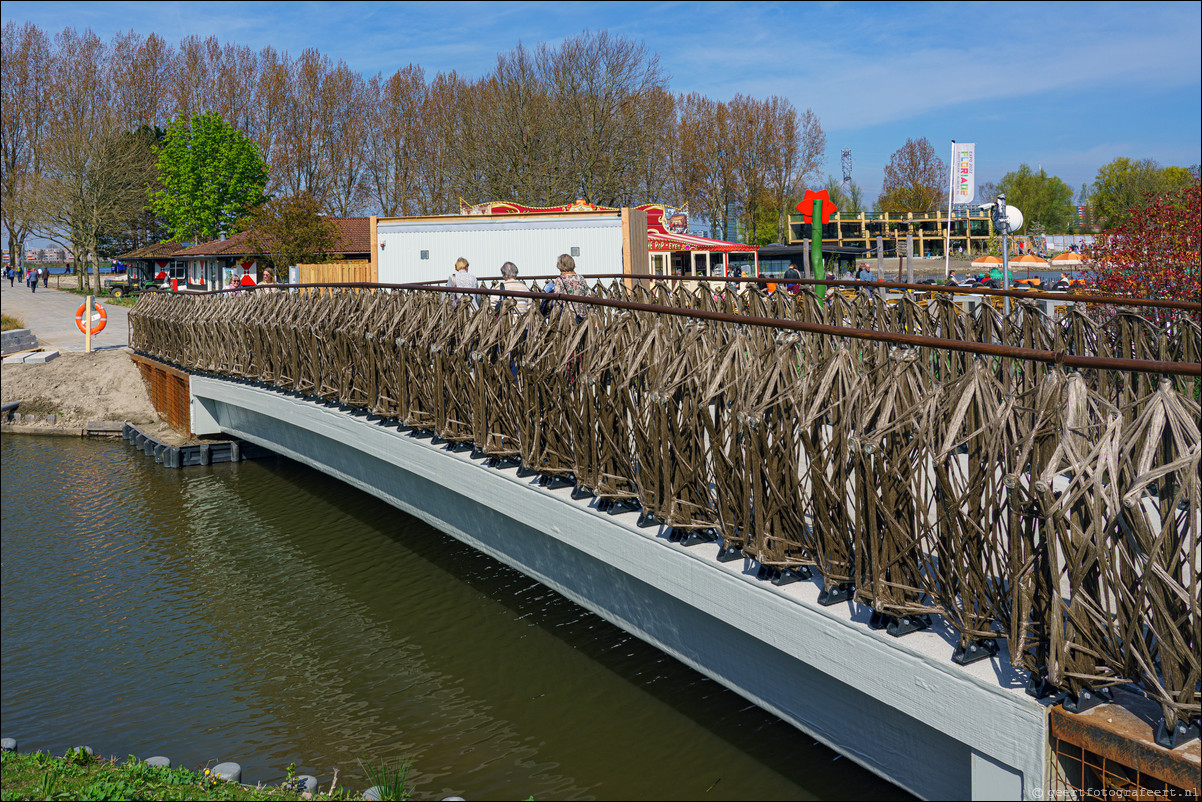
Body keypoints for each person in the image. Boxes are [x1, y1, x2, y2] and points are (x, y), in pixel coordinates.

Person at [540, 253, 589, 323]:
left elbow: (558, 300)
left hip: (567, 317)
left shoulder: (559, 280)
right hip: (582, 316)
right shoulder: (581, 278)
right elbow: (587, 295)